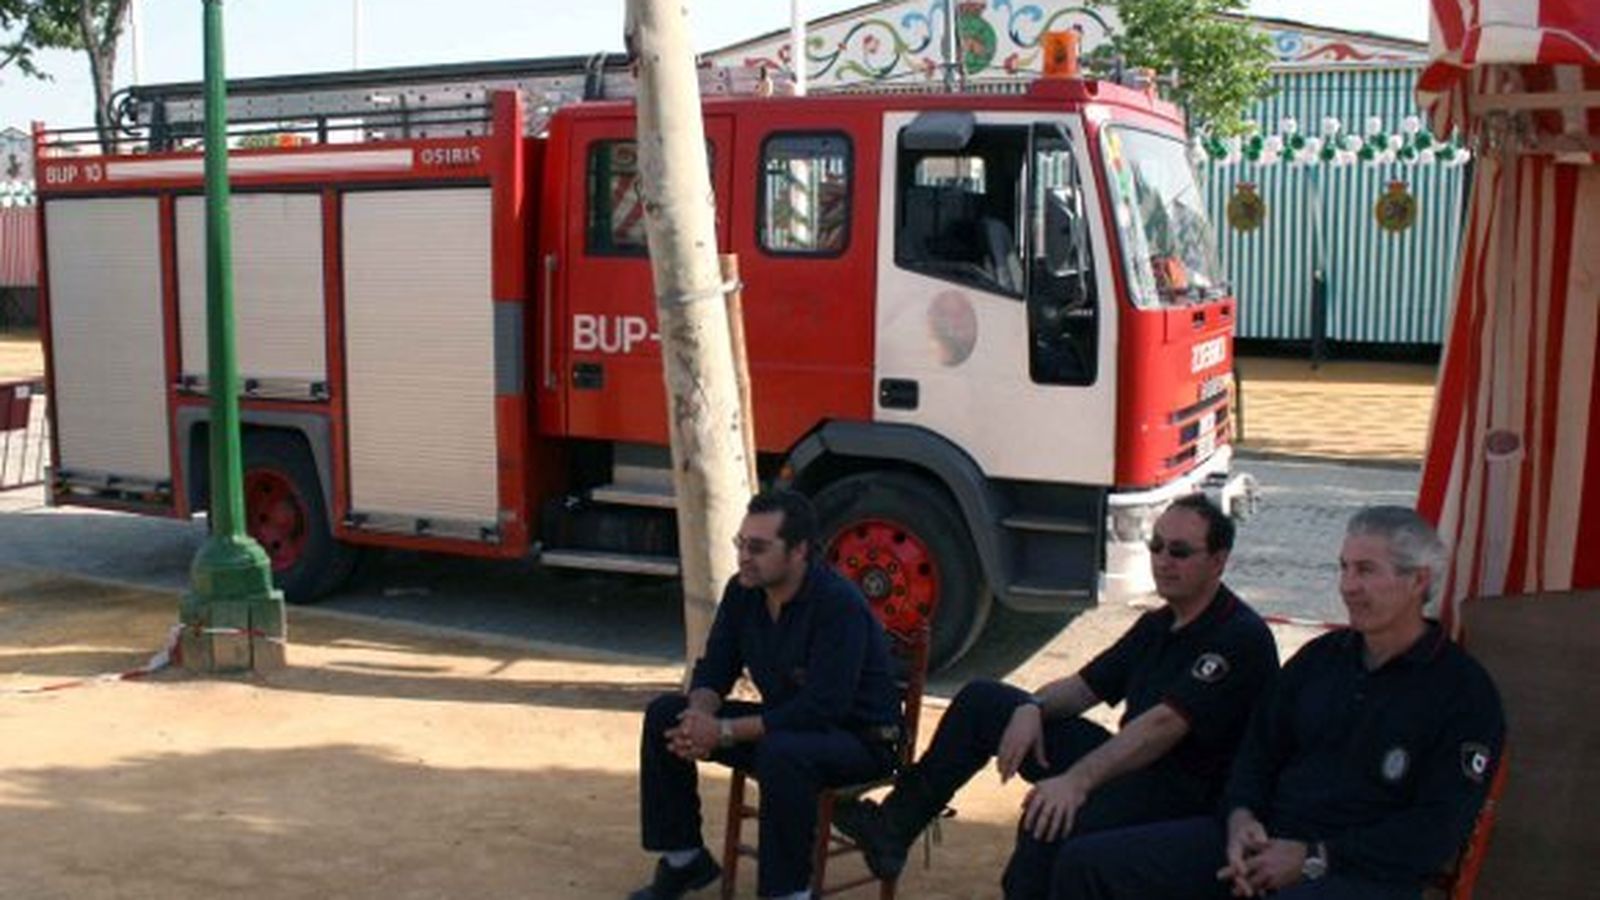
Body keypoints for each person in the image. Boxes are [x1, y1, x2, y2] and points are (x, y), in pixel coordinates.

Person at [1050, 505, 1507, 900]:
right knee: (1086, 866)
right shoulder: (1319, 659)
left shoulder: (1462, 693)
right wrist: (1240, 817)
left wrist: (1315, 858)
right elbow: (1257, 753)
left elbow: (1436, 830)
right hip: (1260, 843)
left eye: (1366, 570)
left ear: (1418, 581)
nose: (1348, 586)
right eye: (1343, 567)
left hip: (1360, 874)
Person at [835, 494, 1279, 899]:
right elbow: (1084, 687)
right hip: (1132, 767)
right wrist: (1031, 708)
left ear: (1219, 561)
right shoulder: (1159, 624)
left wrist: (1076, 781)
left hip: (1187, 795)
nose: (1163, 560)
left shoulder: (1238, 637)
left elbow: (1161, 727)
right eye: (1156, 546)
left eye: (1179, 551)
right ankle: (893, 828)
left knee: (1049, 815)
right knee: (984, 703)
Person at [629, 490, 900, 900]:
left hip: (861, 740)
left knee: (784, 753)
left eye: (758, 547)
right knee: (665, 715)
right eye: (741, 544)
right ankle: (684, 860)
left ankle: (788, 892)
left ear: (799, 551)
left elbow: (824, 707)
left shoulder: (837, 605)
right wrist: (698, 716)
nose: (743, 557)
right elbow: (716, 664)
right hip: (786, 728)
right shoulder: (744, 591)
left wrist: (722, 732)